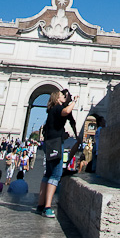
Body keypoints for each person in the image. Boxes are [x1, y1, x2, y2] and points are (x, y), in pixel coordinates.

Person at [36, 90, 77, 218]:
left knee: (48, 174)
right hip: (55, 144)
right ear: (57, 98)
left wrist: (62, 135)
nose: (64, 97)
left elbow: (54, 128)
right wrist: (75, 101)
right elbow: (67, 111)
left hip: (49, 142)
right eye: (62, 95)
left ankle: (40, 205)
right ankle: (47, 207)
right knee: (55, 174)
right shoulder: (58, 108)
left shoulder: (52, 110)